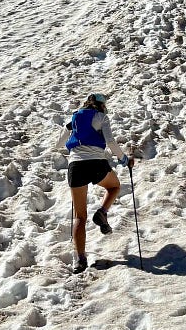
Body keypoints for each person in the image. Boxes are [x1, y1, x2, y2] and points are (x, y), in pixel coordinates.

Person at [57, 93, 134, 273]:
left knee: (79, 217)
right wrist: (124, 160)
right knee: (114, 186)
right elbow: (110, 141)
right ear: (101, 105)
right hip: (96, 163)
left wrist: (70, 127)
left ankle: (80, 259)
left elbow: (59, 144)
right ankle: (102, 212)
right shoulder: (101, 117)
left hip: (76, 166)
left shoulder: (75, 118)